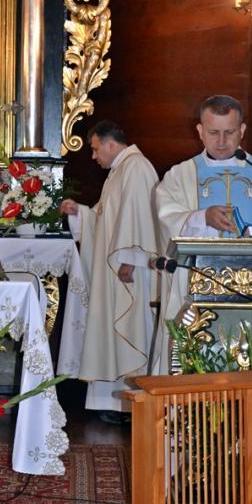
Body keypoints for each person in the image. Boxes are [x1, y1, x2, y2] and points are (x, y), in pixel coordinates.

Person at [153, 94, 252, 373]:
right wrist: (202, 217)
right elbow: (167, 216)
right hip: (201, 282)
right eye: (213, 132)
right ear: (200, 131)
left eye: (229, 132)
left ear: (242, 130)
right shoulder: (180, 175)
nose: (222, 141)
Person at [59, 120, 159, 419]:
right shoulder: (120, 170)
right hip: (118, 267)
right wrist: (81, 213)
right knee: (113, 330)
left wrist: (131, 258)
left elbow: (141, 218)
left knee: (130, 328)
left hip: (130, 269)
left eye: (95, 149)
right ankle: (116, 403)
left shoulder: (136, 167)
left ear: (110, 144)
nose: (94, 156)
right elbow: (106, 219)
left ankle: (133, 404)